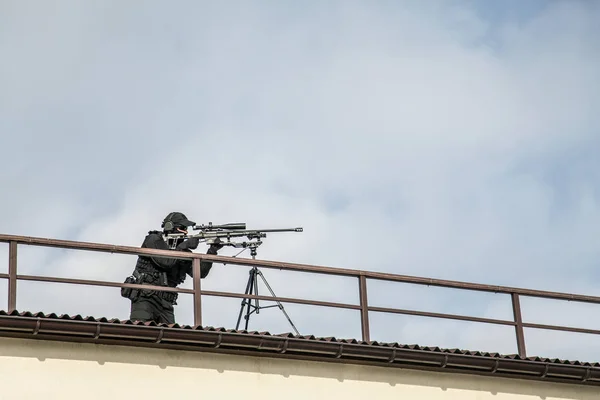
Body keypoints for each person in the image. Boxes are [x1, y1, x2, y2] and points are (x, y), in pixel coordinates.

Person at [121, 211, 223, 324]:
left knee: (169, 337)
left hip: (166, 303)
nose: (186, 231)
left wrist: (212, 251)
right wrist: (184, 246)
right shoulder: (154, 239)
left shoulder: (182, 250)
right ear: (170, 227)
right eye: (182, 228)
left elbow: (200, 273)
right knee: (141, 333)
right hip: (145, 298)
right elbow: (166, 261)